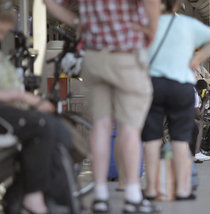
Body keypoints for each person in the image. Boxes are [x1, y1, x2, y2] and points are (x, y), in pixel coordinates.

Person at [44, 0, 161, 213]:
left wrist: (81, 23)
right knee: (129, 127)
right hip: (127, 55)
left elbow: (52, 3)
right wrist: (151, 31)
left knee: (100, 125)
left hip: (94, 58)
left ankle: (100, 195)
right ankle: (133, 196)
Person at [142, 0, 210, 201]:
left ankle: (152, 188)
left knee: (152, 138)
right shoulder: (188, 24)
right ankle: (183, 188)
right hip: (182, 87)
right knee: (180, 139)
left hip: (154, 85)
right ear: (176, 5)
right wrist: (195, 60)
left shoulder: (146, 23)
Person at [0, 10, 71, 214]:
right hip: (5, 112)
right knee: (43, 128)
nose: (2, 35)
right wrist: (21, 97)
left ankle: (54, 199)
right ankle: (33, 199)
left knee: (60, 131)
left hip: (12, 110)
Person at [191, 79, 210, 162]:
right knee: (199, 124)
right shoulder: (195, 94)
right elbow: (199, 116)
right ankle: (196, 152)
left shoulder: (190, 88)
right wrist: (204, 102)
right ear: (201, 90)